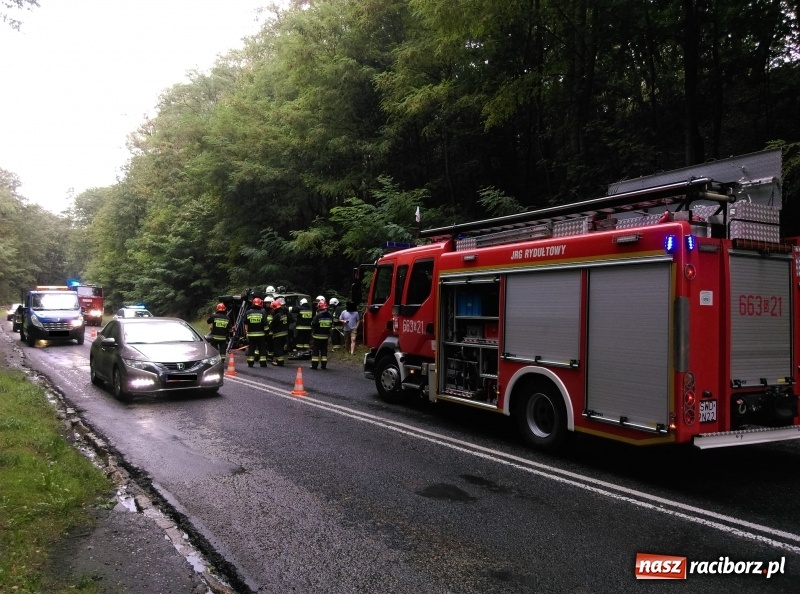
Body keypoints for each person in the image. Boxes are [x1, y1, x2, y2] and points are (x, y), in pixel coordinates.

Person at [244, 297, 268, 367]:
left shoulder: (248, 313)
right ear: (260, 304)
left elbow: (245, 323)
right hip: (261, 335)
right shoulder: (262, 312)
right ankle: (263, 363)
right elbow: (265, 324)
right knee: (262, 348)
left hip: (251, 335)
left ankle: (250, 362)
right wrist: (267, 332)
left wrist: (246, 333)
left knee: (251, 348)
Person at [310, 300, 333, 369]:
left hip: (317, 336)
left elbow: (313, 324)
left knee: (315, 351)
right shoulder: (330, 316)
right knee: (324, 351)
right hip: (325, 336)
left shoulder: (318, 316)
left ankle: (314, 365)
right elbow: (331, 325)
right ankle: (324, 365)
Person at [270, 299, 289, 366]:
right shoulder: (284, 314)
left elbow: (272, 325)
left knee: (278, 348)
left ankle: (280, 362)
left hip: (278, 334)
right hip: (285, 334)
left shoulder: (277, 316)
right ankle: (279, 360)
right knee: (281, 347)